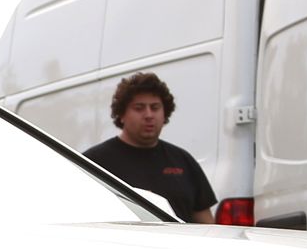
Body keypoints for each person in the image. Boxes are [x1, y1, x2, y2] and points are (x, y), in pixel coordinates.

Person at [84, 71, 215, 222]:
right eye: (139, 108)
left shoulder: (183, 160)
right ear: (121, 114)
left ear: (165, 113)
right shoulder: (94, 163)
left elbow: (206, 224)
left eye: (155, 107)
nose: (148, 115)